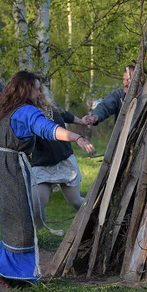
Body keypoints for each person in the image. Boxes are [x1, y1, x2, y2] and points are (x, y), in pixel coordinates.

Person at [0, 71, 95, 292]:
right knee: (20, 225)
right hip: (10, 173)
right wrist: (76, 137)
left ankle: (12, 275)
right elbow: (48, 129)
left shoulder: (0, 111)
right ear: (24, 89)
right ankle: (5, 277)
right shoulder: (25, 112)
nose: (39, 92)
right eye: (36, 88)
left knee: (14, 223)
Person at [31, 88, 87, 229]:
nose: (38, 93)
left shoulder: (51, 105)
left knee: (76, 201)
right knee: (37, 203)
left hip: (63, 160)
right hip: (41, 164)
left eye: (39, 88)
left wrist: (81, 121)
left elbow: (66, 115)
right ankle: (35, 234)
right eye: (33, 89)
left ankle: (93, 222)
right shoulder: (25, 111)